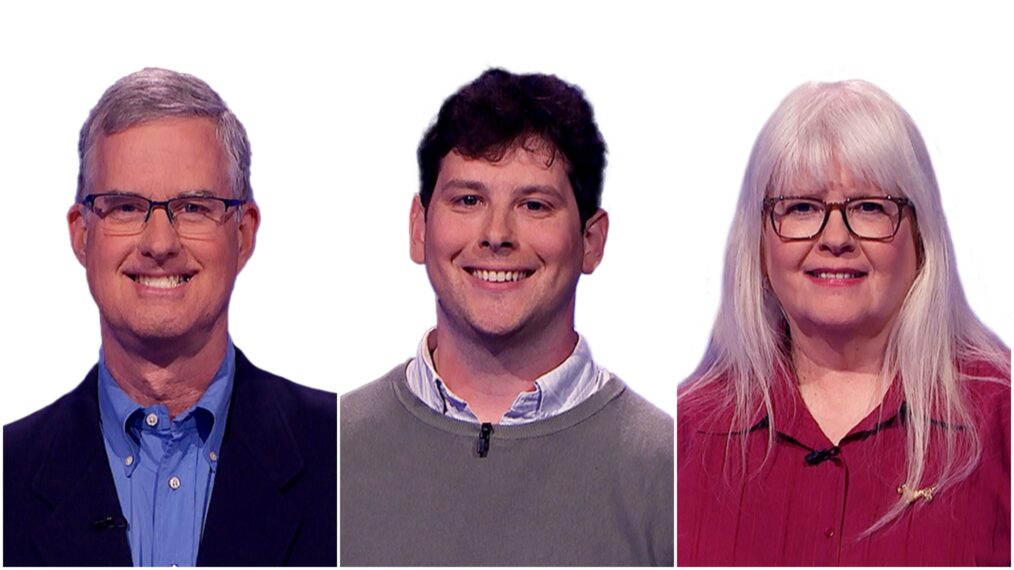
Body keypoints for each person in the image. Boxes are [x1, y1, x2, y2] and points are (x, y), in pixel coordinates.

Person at [2, 68, 337, 566]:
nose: (160, 244)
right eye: (125, 207)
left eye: (194, 207)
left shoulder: (345, 456)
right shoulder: (8, 475)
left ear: (243, 233)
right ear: (81, 234)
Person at [340, 68, 673, 566]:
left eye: (534, 204)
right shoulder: (333, 452)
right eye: (468, 200)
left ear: (591, 241)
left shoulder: (668, 471)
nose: (496, 234)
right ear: (419, 227)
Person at [677, 80, 1010, 566]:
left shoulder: (1001, 414)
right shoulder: (687, 433)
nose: (836, 237)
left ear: (921, 238)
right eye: (802, 208)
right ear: (760, 245)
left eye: (870, 208)